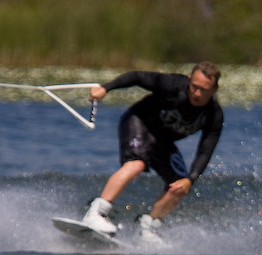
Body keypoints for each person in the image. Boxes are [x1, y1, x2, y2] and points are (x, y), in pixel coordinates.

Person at [83, 61, 224, 243]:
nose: (197, 93)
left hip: (162, 141)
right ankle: (97, 212)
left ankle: (148, 226)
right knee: (136, 164)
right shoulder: (173, 85)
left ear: (214, 89)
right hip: (138, 122)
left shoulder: (213, 115)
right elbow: (136, 77)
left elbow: (205, 150)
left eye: (204, 90)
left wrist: (190, 179)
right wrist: (106, 88)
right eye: (194, 87)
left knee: (179, 186)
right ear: (189, 80)